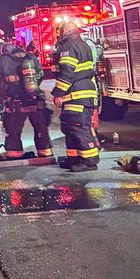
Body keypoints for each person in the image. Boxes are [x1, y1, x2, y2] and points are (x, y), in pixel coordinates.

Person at [51, 19, 100, 172]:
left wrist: (58, 93)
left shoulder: (69, 46)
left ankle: (89, 160)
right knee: (70, 125)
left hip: (76, 93)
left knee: (79, 127)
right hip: (80, 92)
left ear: (63, 32)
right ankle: (74, 157)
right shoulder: (82, 44)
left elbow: (67, 72)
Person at [0, 43, 53, 158]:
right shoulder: (31, 58)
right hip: (35, 101)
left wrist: (5, 90)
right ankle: (45, 152)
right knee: (41, 130)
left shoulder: (3, 60)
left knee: (13, 132)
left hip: (15, 103)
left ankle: (14, 154)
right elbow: (40, 75)